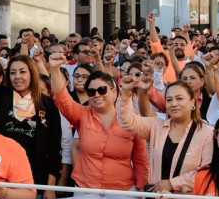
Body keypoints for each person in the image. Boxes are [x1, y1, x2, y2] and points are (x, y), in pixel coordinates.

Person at [0, 29, 62, 197]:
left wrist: (50, 187)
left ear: (32, 73)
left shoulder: (47, 104)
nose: (17, 77)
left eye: (22, 72)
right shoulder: (2, 96)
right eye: (12, 72)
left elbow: (54, 148)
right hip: (0, 178)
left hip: (35, 182)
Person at [48, 55, 150, 191]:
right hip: (86, 189)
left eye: (102, 90)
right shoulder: (82, 115)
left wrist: (142, 189)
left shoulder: (131, 121)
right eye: (91, 92)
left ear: (114, 93)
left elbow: (141, 160)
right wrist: (54, 69)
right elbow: (62, 98)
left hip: (122, 191)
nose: (96, 95)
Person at [116, 75, 212, 194]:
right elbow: (127, 122)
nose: (174, 103)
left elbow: (207, 172)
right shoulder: (156, 126)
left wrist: (172, 184)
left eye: (179, 98)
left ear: (192, 102)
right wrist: (125, 93)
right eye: (169, 100)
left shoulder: (207, 133)